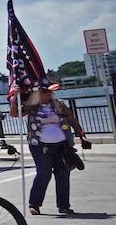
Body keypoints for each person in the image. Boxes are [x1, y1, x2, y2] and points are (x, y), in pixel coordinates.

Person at [24, 83, 90, 216]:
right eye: (46, 92)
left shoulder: (59, 105)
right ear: (38, 94)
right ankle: (34, 204)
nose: (49, 95)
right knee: (44, 173)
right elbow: (14, 113)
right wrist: (14, 97)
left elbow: (72, 120)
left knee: (63, 173)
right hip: (40, 145)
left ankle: (63, 206)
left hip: (61, 145)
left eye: (50, 92)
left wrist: (82, 136)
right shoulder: (31, 107)